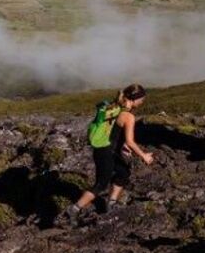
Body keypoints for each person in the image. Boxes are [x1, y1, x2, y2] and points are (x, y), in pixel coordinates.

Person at [64, 84, 154, 226]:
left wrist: (122, 145)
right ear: (135, 99)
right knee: (101, 184)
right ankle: (74, 209)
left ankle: (111, 204)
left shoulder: (114, 107)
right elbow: (130, 141)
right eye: (141, 99)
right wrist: (144, 156)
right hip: (106, 151)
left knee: (123, 172)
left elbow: (113, 130)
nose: (142, 102)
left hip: (105, 149)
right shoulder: (128, 116)